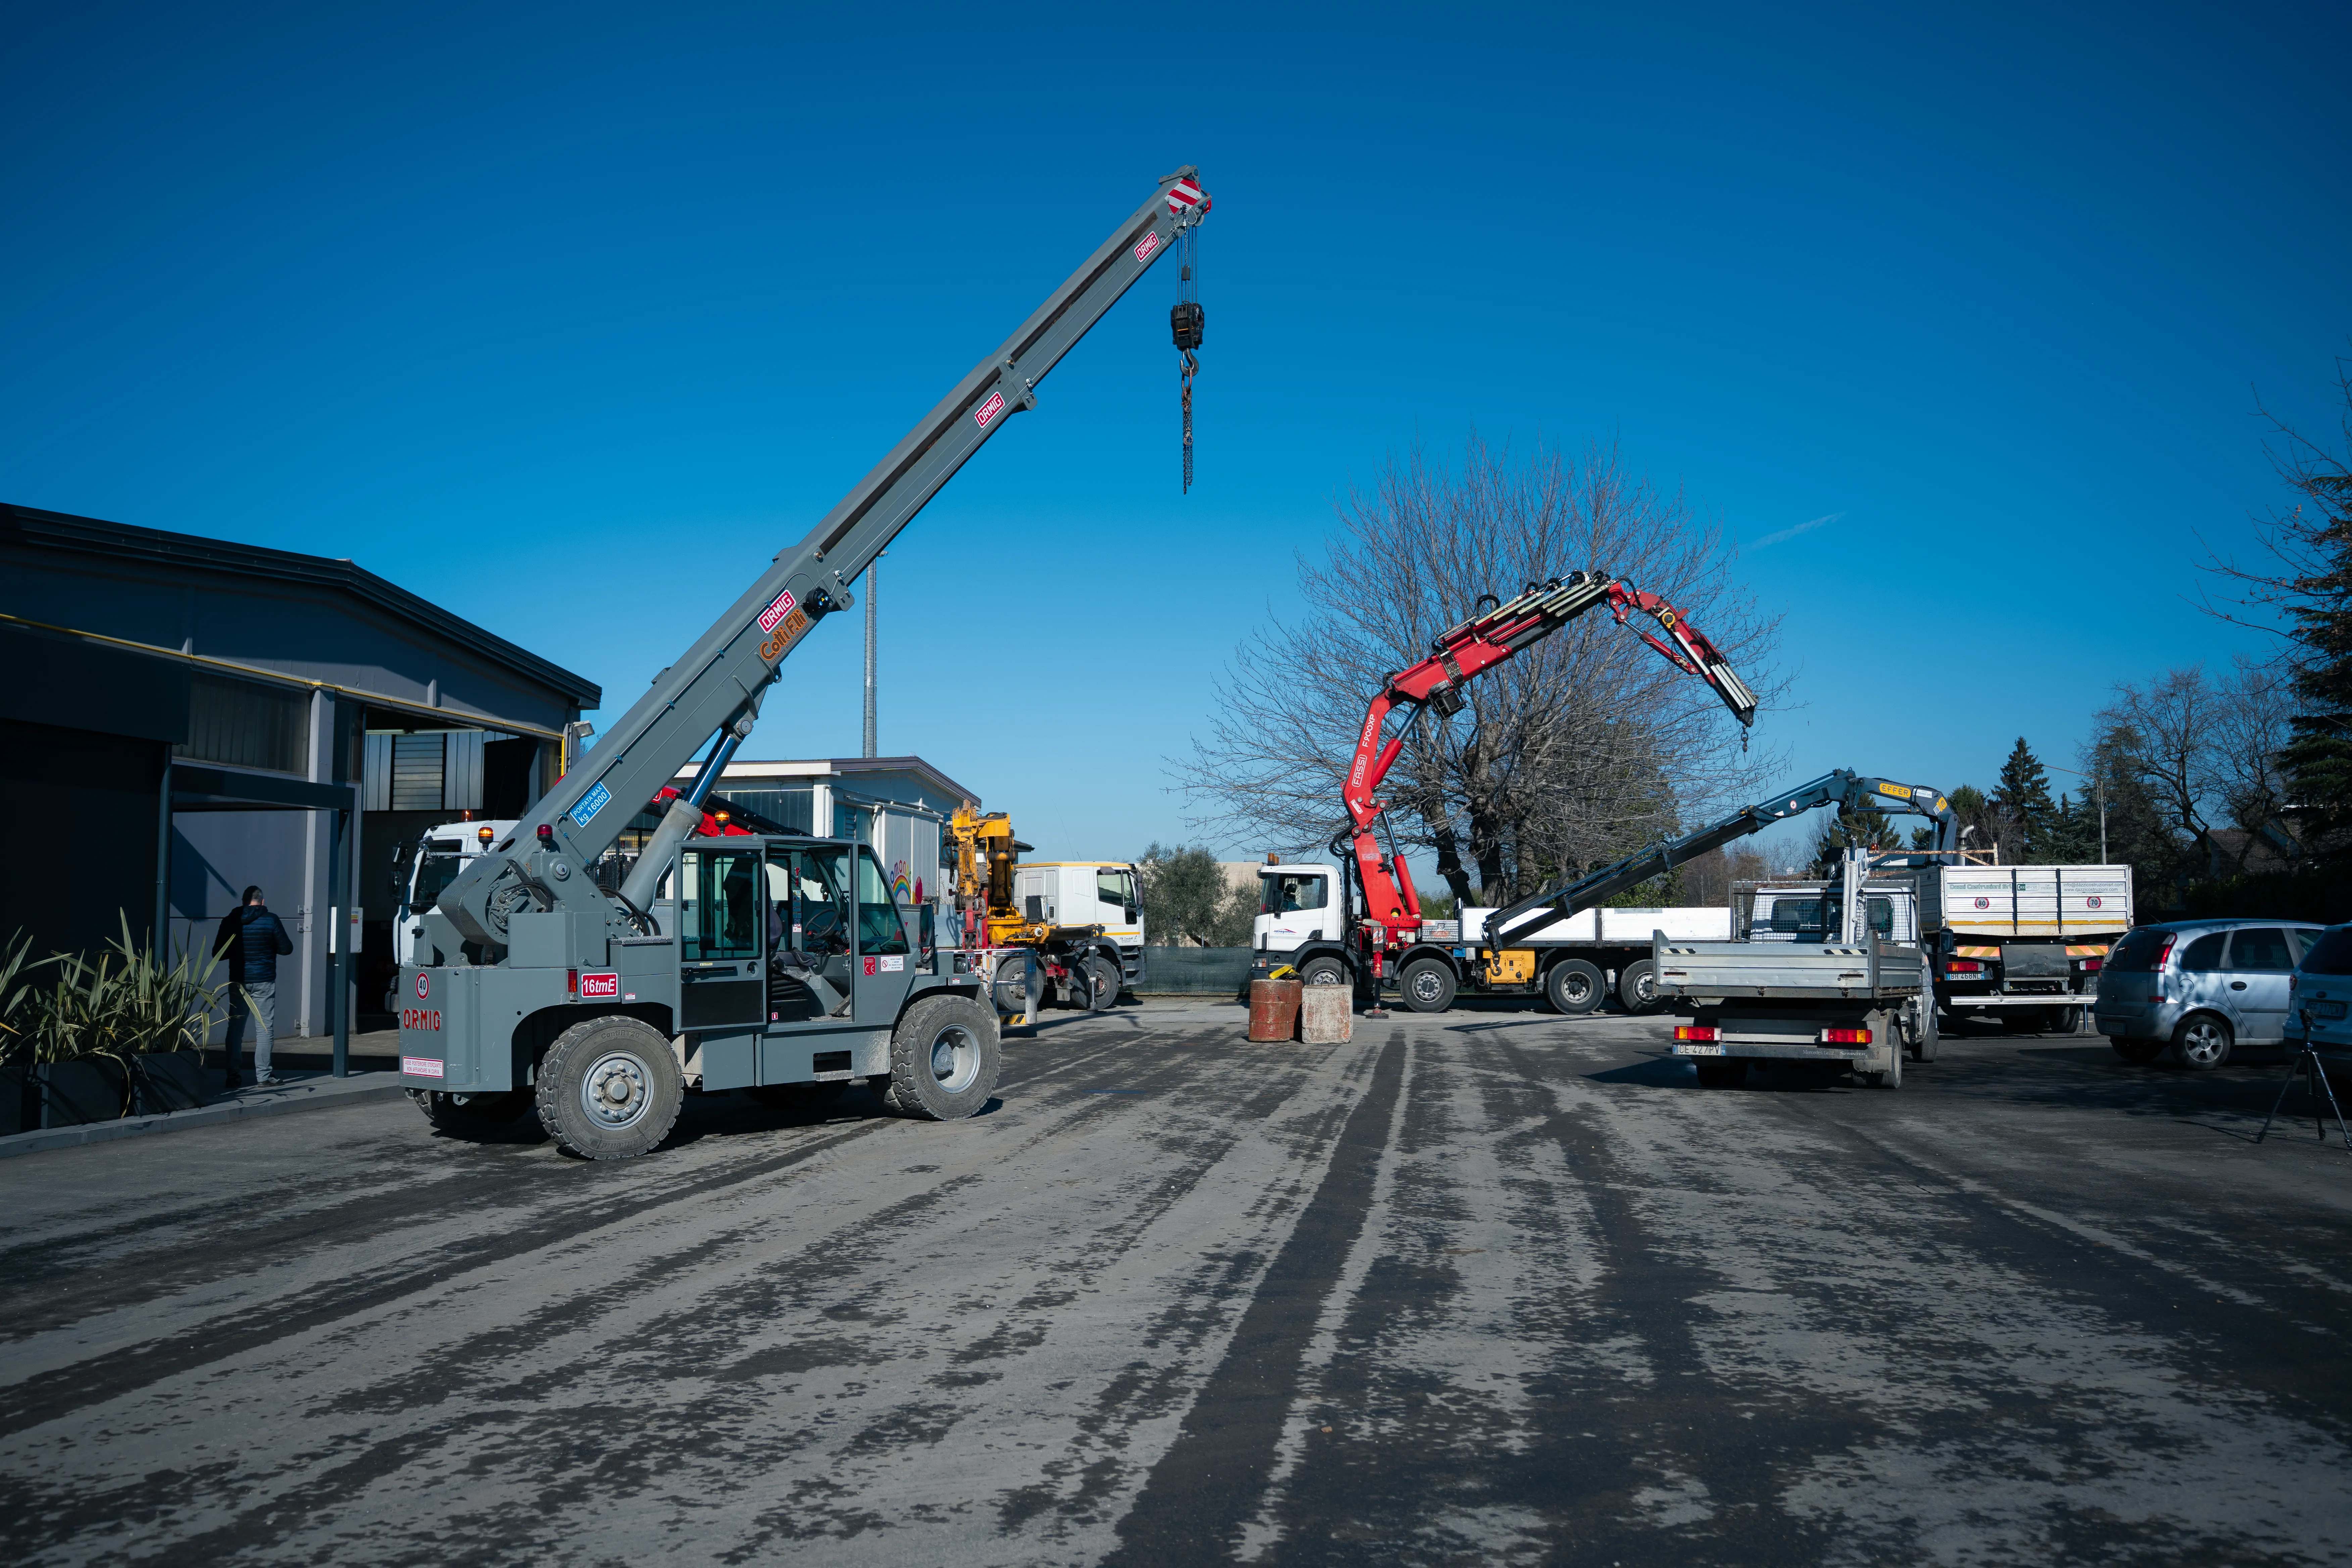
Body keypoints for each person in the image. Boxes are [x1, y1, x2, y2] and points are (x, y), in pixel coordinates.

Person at [214, 885, 293, 1088]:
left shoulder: (230, 920)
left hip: (238, 981)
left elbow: (218, 953)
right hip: (264, 981)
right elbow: (286, 949)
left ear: (243, 902)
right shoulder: (271, 920)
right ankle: (264, 1077)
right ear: (262, 902)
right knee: (265, 1029)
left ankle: (233, 1075)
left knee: (235, 1029)